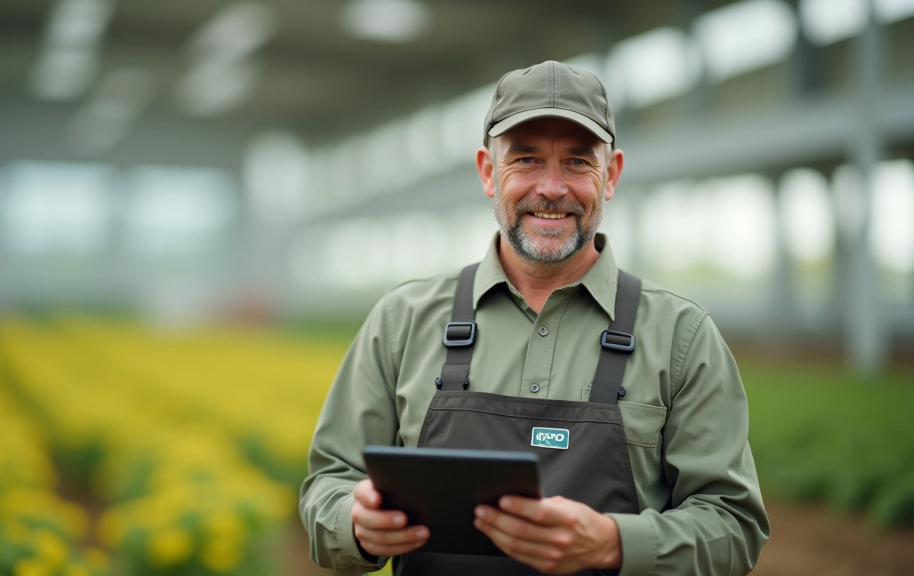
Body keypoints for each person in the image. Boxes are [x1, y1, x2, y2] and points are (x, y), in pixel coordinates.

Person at [299, 60, 769, 575]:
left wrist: (614, 543)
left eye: (577, 162)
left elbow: (733, 525)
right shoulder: (401, 322)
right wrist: (355, 522)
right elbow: (329, 483)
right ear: (488, 171)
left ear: (610, 176)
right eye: (525, 159)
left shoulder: (682, 336)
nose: (551, 187)